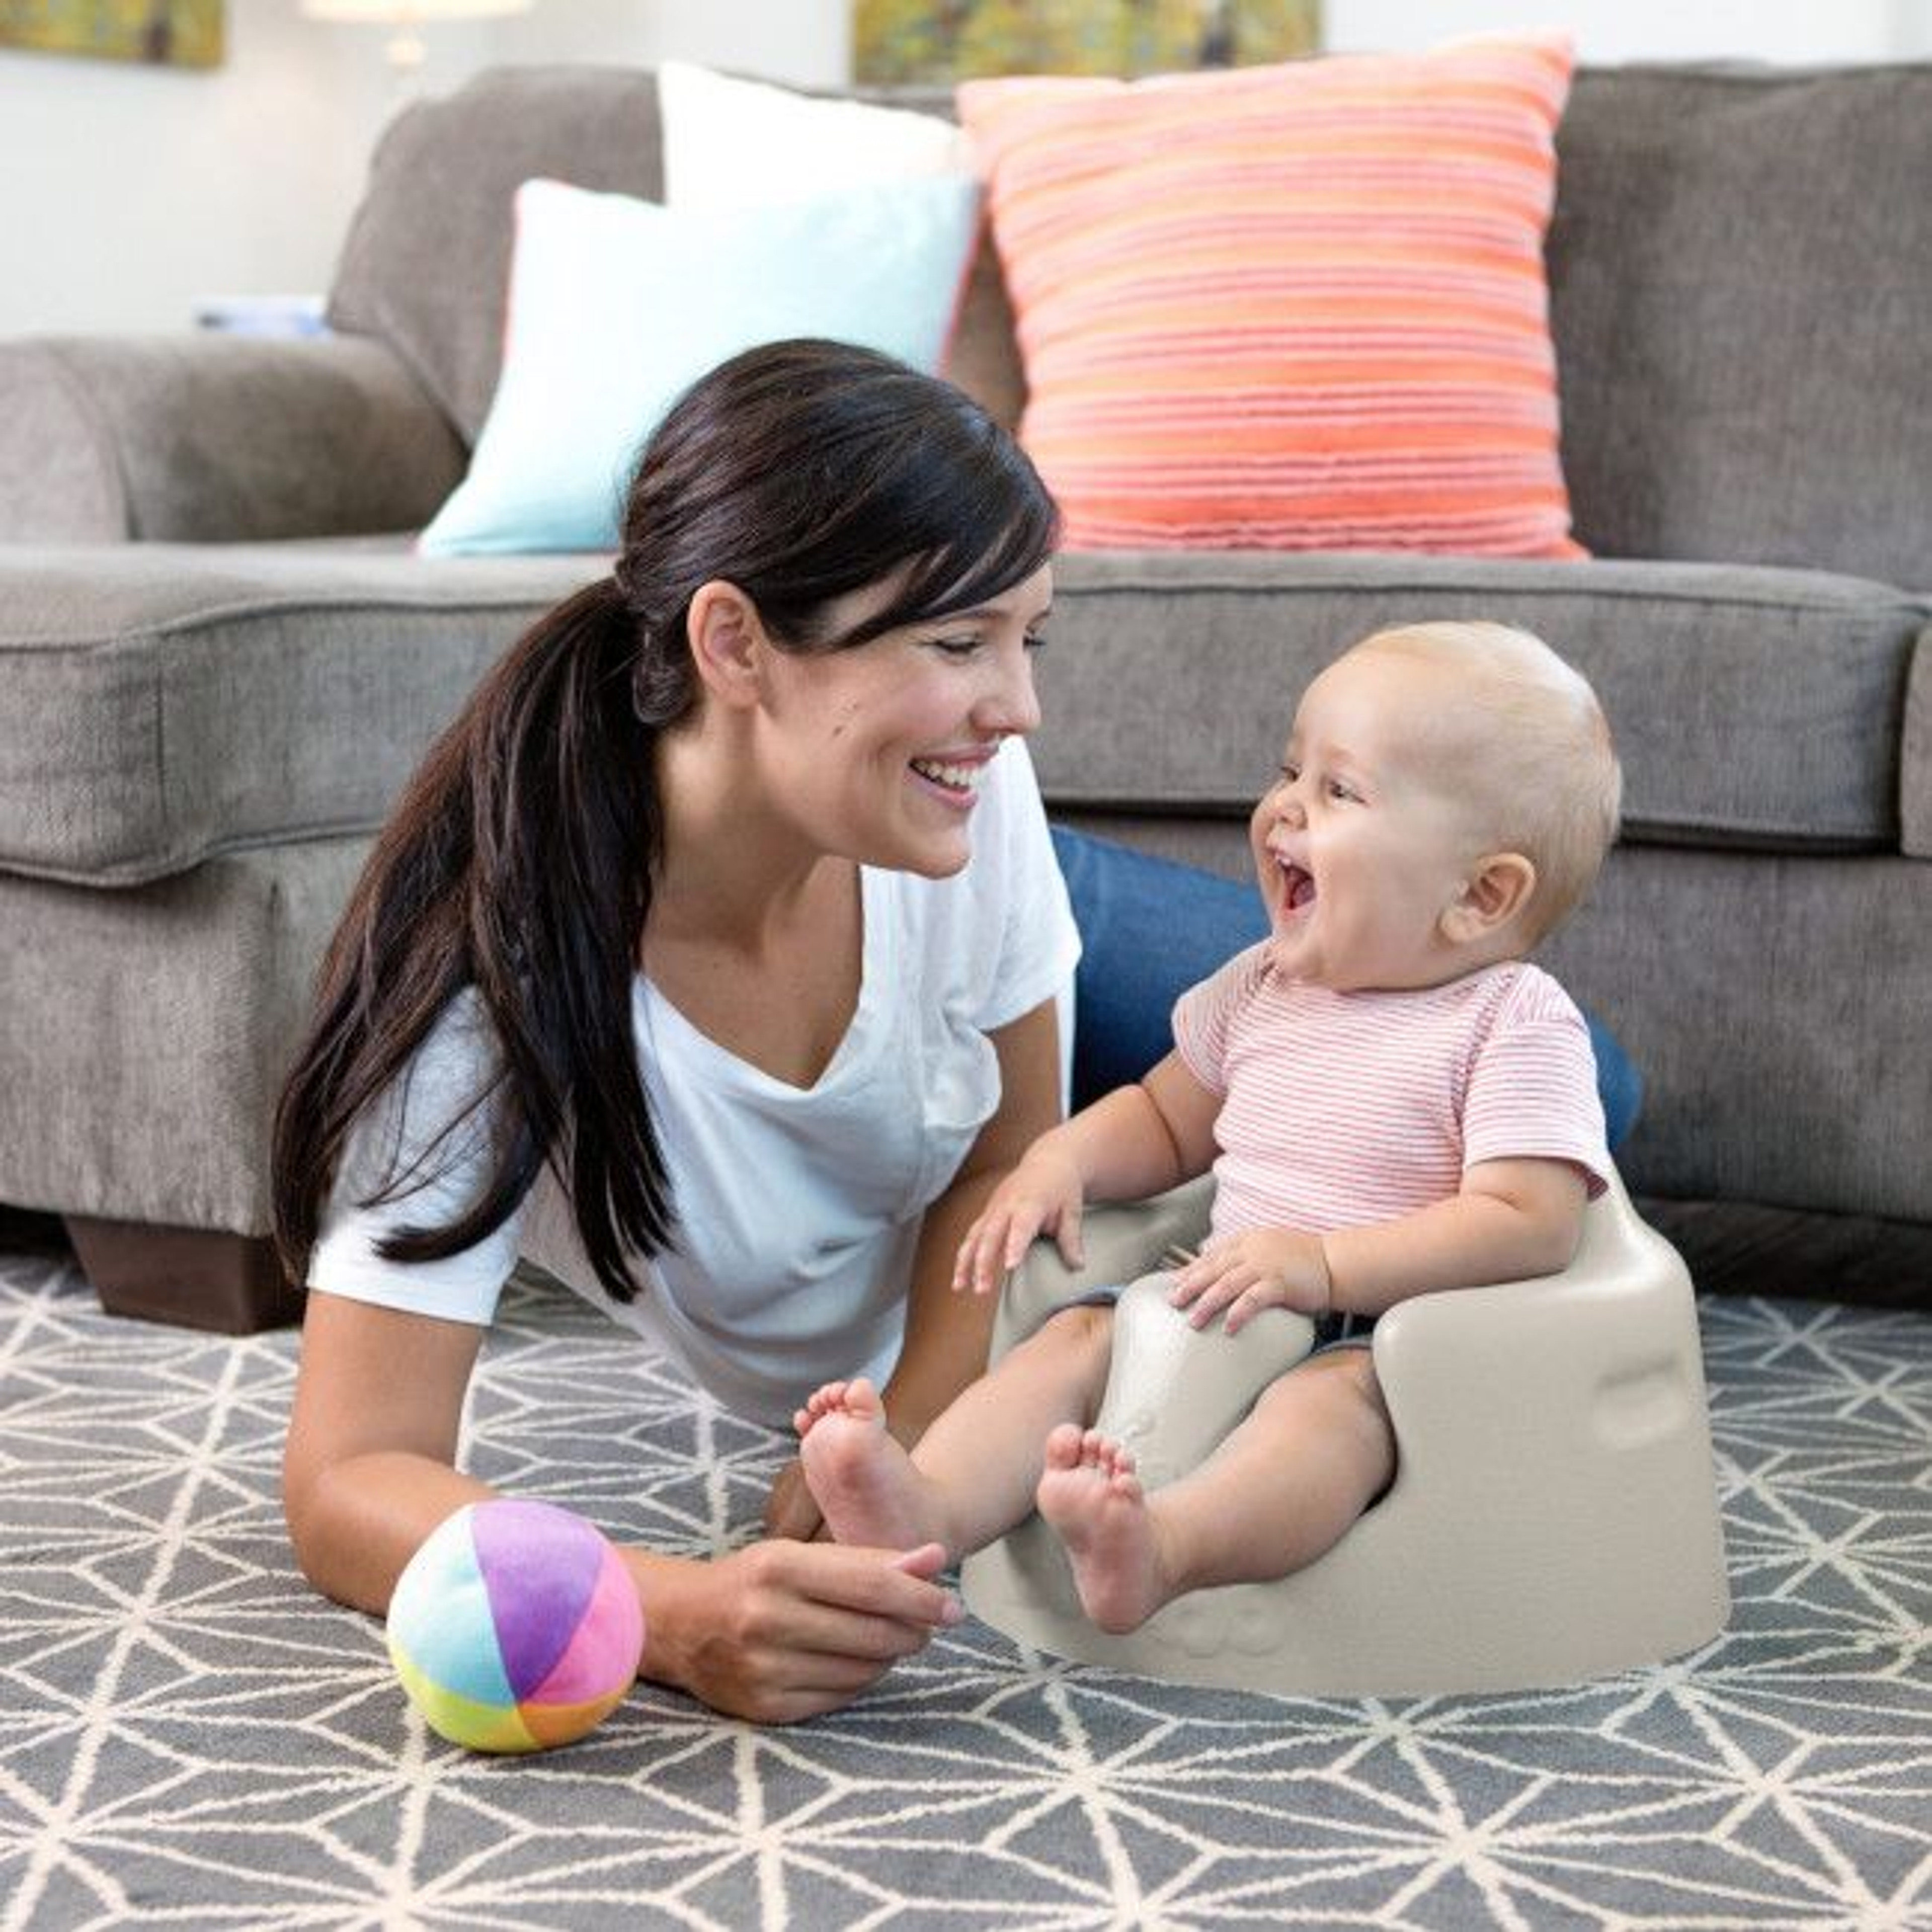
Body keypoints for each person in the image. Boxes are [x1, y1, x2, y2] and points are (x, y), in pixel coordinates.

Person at [271, 339, 1078, 1722]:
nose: (1018, 708)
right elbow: (349, 1475)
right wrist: (670, 1611)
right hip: (874, 894)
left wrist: (914, 1429)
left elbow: (1013, 1149)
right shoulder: (491, 991)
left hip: (1011, 932)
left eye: (1025, 638)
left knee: (1523, 1071)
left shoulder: (966, 791)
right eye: (958, 643)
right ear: (732, 643)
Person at [794, 620, 1620, 1635]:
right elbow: (1163, 1119)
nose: (1284, 809)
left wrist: (1325, 1267)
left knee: (1328, 1424)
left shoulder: (1511, 1021)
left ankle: (1169, 1549)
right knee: (1072, 1340)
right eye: (1290, 771)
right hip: (1214, 1290)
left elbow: (1529, 1221)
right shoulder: (1261, 985)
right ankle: (926, 1508)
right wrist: (1064, 1158)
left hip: (1386, 1337)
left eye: (1340, 792)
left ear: (1479, 895)